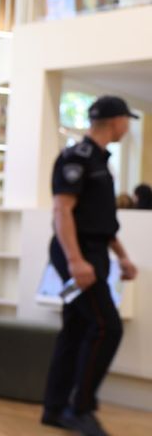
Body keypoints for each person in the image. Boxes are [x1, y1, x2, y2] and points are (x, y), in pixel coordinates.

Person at [41, 96, 139, 436]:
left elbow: (101, 222)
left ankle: (54, 408)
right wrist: (75, 261)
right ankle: (79, 408)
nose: (127, 127)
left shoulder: (100, 162)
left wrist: (121, 256)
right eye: (127, 120)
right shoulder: (77, 157)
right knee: (107, 327)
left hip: (93, 252)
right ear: (116, 121)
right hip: (77, 254)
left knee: (76, 327)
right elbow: (62, 210)